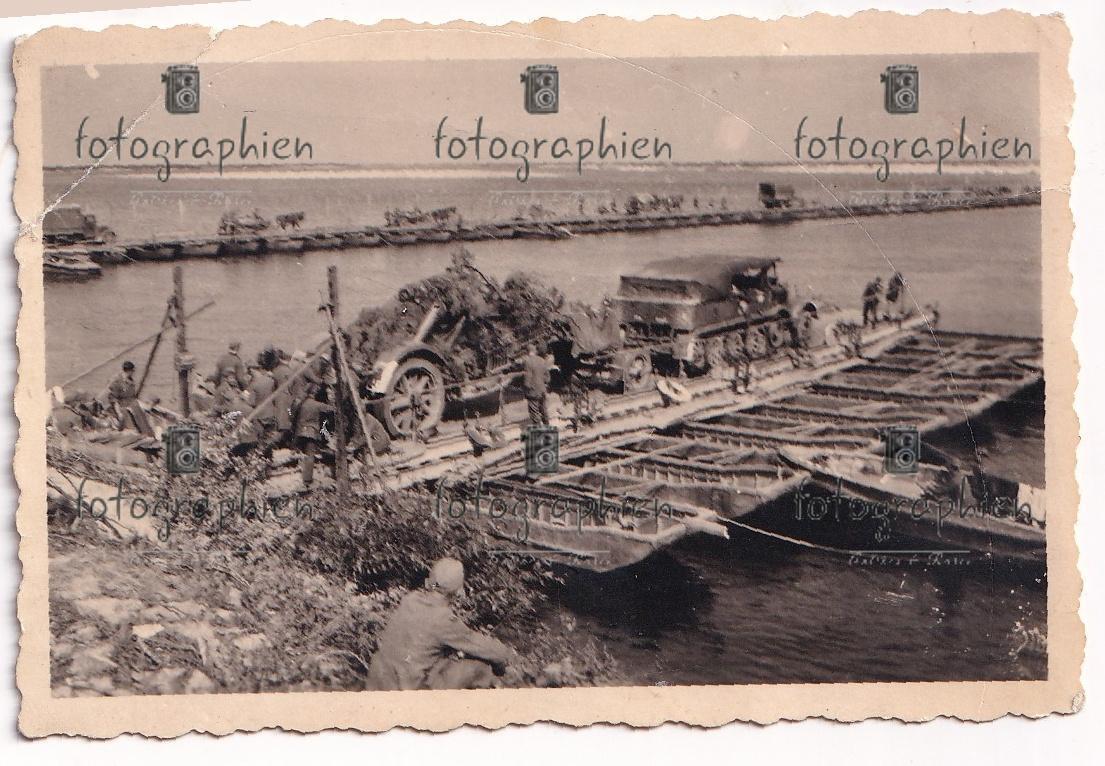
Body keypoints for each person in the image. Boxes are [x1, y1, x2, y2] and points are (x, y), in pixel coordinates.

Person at [366, 558, 515, 691]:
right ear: (458, 591)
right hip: (409, 688)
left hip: (380, 679)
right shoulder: (443, 619)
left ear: (430, 581)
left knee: (439, 662)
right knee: (479, 669)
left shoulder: (410, 599)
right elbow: (483, 647)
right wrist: (506, 656)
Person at [296, 386, 334, 488]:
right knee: (310, 456)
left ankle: (303, 477)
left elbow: (291, 413)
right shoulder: (316, 405)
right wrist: (331, 401)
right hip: (310, 432)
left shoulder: (302, 404)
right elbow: (331, 409)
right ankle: (307, 481)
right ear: (315, 393)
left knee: (305, 455)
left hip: (300, 432)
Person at [106, 360, 153, 436]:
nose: (133, 373)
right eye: (132, 371)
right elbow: (114, 400)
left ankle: (148, 433)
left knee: (142, 416)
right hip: (122, 405)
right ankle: (141, 433)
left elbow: (132, 396)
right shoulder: (117, 382)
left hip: (131, 403)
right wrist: (119, 413)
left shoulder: (130, 380)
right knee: (135, 416)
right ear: (129, 371)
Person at [521, 343, 553, 427]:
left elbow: (527, 378)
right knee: (543, 409)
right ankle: (547, 427)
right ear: (535, 351)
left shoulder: (527, 362)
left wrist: (526, 388)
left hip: (532, 391)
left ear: (527, 352)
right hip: (542, 389)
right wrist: (544, 383)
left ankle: (538, 430)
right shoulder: (542, 360)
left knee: (534, 411)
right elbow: (547, 376)